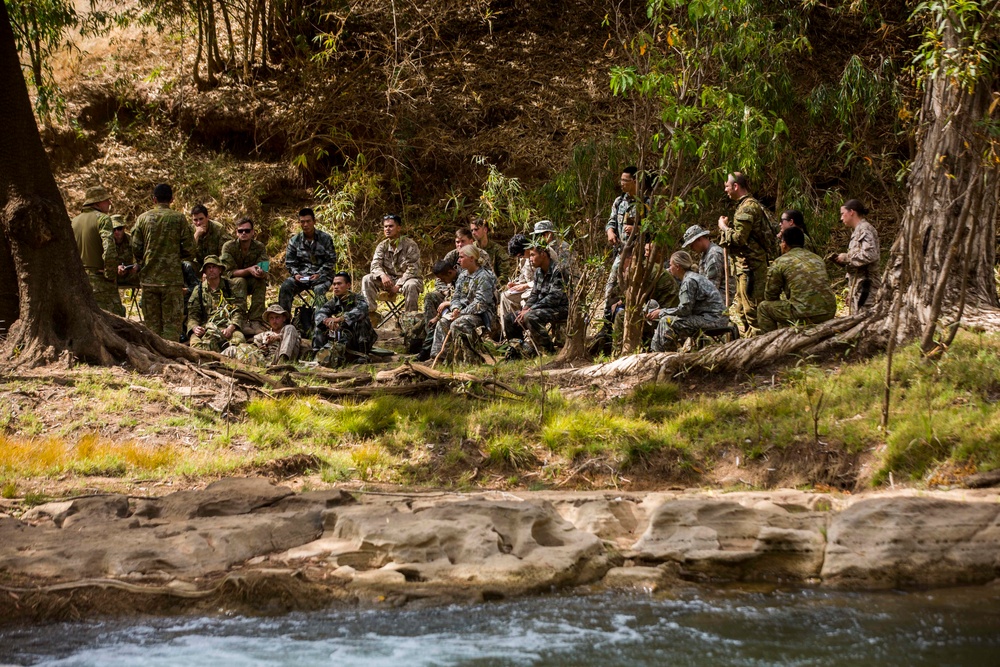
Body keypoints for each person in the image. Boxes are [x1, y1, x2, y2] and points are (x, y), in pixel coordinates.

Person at [133, 183, 196, 341]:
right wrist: (174, 256)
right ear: (172, 199)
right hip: (171, 281)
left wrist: (145, 260)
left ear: (154, 199)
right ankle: (169, 356)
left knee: (152, 326)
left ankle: (154, 356)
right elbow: (190, 249)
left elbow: (135, 247)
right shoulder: (179, 218)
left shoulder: (142, 219)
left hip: (149, 280)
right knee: (172, 325)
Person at [717, 172, 777, 334]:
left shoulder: (748, 207)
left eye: (727, 186)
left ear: (735, 186)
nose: (726, 190)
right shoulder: (745, 205)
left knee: (753, 311)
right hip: (745, 268)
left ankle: (763, 347)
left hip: (751, 269)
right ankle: (751, 345)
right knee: (743, 310)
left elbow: (738, 239)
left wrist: (723, 228)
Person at [757, 227, 837, 333]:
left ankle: (771, 342)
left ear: (784, 243)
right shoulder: (817, 258)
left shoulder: (780, 262)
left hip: (805, 313)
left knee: (763, 308)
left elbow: (770, 295)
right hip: (829, 310)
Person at [650, 251, 731, 352]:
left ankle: (660, 354)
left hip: (713, 320)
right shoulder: (692, 277)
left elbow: (685, 310)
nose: (669, 268)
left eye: (671, 265)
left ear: (678, 267)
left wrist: (661, 312)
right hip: (715, 317)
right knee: (668, 320)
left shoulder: (689, 281)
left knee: (666, 321)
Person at [607, 243, 679, 356]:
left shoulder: (641, 272)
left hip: (665, 313)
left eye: (622, 260)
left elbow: (636, 298)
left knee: (622, 317)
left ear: (630, 259)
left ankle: (618, 355)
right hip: (662, 308)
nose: (621, 265)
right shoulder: (645, 267)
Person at [429, 244, 497, 360]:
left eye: (462, 257)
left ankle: (469, 358)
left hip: (483, 315)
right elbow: (456, 297)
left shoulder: (484, 276)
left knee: (458, 323)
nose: (459, 260)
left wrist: (460, 312)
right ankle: (440, 358)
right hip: (464, 312)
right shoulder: (463, 275)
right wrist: (455, 308)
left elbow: (480, 304)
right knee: (443, 322)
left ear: (472, 258)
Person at [505, 239, 568, 355]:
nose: (530, 258)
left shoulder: (558, 270)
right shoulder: (539, 272)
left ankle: (547, 351)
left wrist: (531, 309)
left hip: (561, 308)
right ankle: (518, 350)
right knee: (510, 318)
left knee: (531, 316)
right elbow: (534, 294)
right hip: (544, 307)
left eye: (533, 255)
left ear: (543, 254)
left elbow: (554, 297)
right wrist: (526, 307)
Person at [71, 185, 122, 316]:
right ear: (98, 202)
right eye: (106, 200)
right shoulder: (103, 219)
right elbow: (109, 248)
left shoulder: (73, 221)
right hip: (100, 281)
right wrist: (110, 274)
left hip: (79, 279)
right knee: (113, 320)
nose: (109, 203)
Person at [362, 214, 422, 320]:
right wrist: (382, 275)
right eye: (385, 227)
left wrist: (398, 285)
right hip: (389, 280)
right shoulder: (382, 246)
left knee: (411, 285)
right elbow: (375, 265)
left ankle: (410, 320)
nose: (387, 229)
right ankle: (370, 315)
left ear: (399, 228)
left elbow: (413, 268)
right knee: (367, 279)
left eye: (391, 226)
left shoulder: (410, 245)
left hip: (408, 279)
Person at [278, 207, 337, 312]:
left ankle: (320, 322)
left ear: (314, 221)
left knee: (319, 291)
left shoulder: (325, 239)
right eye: (302, 222)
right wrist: (296, 274)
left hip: (321, 277)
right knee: (286, 286)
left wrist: (319, 273)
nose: (305, 225)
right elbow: (290, 263)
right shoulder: (294, 241)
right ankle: (283, 321)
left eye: (308, 221)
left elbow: (331, 260)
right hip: (302, 277)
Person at [313, 272, 378, 366]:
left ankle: (363, 355)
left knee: (361, 321)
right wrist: (326, 321)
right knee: (320, 325)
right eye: (334, 284)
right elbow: (320, 313)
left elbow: (362, 310)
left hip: (358, 338)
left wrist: (340, 319)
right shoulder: (333, 301)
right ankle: (318, 354)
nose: (335, 287)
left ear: (348, 285)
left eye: (339, 284)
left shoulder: (358, 298)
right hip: (342, 337)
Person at [829, 199, 880, 315]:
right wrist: (851, 292)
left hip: (867, 287)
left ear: (851, 212)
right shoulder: (858, 230)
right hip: (859, 287)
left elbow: (871, 255)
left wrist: (847, 257)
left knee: (865, 323)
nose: (841, 218)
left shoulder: (865, 229)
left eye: (843, 213)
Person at [185, 255, 247, 352]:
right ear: (204, 271)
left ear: (220, 270)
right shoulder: (199, 290)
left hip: (227, 327)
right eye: (208, 268)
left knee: (239, 341)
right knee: (196, 346)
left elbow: (239, 310)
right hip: (206, 328)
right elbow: (193, 313)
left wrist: (231, 328)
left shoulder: (231, 287)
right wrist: (195, 327)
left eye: (214, 267)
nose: (211, 270)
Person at [221, 216, 269, 329]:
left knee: (260, 282)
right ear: (236, 233)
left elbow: (265, 267)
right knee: (240, 281)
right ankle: (239, 317)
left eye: (247, 230)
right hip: (231, 283)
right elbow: (228, 272)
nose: (244, 233)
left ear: (252, 232)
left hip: (251, 281)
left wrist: (261, 272)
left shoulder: (259, 247)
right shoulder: (228, 247)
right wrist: (248, 270)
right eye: (240, 231)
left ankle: (256, 319)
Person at [226, 303, 301, 365]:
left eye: (277, 317)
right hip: (268, 362)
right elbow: (252, 345)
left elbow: (295, 340)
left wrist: (278, 337)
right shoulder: (264, 335)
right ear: (268, 320)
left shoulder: (291, 330)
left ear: (284, 318)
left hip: (284, 359)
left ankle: (282, 362)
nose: (274, 321)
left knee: (290, 327)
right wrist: (262, 348)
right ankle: (216, 359)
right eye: (271, 318)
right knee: (234, 348)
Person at [416, 258, 461, 361]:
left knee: (442, 323)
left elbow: (465, 299)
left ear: (450, 272)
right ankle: (427, 352)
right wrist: (436, 317)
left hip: (461, 310)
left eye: (443, 278)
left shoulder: (462, 278)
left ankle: (427, 354)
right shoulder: (453, 280)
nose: (442, 281)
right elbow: (450, 296)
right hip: (452, 309)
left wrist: (448, 303)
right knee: (430, 324)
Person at [184, 204, 232, 290]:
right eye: (195, 220)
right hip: (198, 266)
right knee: (186, 265)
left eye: (201, 219)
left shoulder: (218, 229)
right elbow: (187, 254)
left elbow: (225, 254)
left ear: (207, 217)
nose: (198, 223)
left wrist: (210, 270)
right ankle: (193, 292)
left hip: (215, 265)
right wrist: (197, 235)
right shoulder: (190, 230)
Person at [499, 234, 534, 340]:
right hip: (527, 287)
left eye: (521, 254)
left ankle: (528, 333)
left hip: (536, 289)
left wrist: (525, 285)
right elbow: (524, 278)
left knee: (526, 299)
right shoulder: (523, 260)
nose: (521, 257)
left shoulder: (538, 255)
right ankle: (509, 334)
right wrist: (516, 284)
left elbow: (543, 280)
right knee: (505, 296)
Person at [681, 224, 726, 292]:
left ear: (699, 239)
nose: (691, 248)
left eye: (692, 245)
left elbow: (712, 288)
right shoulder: (705, 254)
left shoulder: (713, 254)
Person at [106, 214, 139, 290]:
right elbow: (102, 262)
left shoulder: (131, 240)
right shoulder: (107, 242)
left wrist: (136, 267)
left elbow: (138, 257)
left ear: (124, 228)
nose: (116, 232)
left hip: (129, 275)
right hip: (112, 277)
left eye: (119, 228)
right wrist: (115, 268)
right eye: (114, 229)